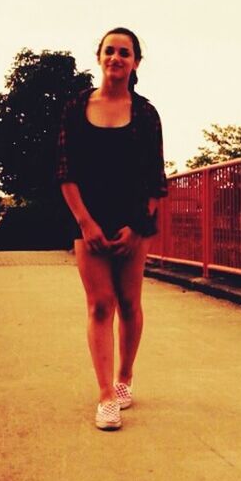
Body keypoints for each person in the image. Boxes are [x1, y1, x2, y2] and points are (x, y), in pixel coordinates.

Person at [56, 28, 167, 429]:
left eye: (125, 52)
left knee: (129, 303)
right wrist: (85, 223)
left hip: (132, 223)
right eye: (110, 51)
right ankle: (105, 397)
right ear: (99, 56)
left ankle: (125, 379)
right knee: (100, 304)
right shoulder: (75, 108)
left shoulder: (145, 114)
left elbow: (156, 179)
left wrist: (137, 228)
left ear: (136, 62)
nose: (116, 58)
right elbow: (66, 171)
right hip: (88, 220)